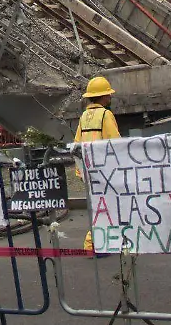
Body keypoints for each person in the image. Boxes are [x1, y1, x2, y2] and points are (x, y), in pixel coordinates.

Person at [73, 76, 121, 251]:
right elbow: (115, 142)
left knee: (98, 206)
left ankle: (100, 242)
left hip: (87, 170)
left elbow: (77, 143)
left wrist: (79, 171)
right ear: (103, 97)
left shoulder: (84, 116)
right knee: (106, 206)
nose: (110, 97)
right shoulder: (105, 115)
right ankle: (92, 243)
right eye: (108, 95)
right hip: (103, 170)